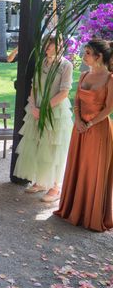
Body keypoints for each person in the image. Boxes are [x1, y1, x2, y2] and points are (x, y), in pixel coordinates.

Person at [55, 39, 113, 232]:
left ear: (99, 56)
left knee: (93, 170)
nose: (83, 55)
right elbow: (77, 100)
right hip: (79, 129)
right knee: (78, 167)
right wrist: (78, 120)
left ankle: (90, 214)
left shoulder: (110, 78)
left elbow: (109, 108)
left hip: (98, 131)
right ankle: (74, 209)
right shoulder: (83, 75)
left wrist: (89, 123)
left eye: (87, 53)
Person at [14, 36, 73, 202]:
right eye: (45, 43)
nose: (46, 47)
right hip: (36, 109)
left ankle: (55, 186)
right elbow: (34, 88)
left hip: (54, 112)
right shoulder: (41, 63)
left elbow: (64, 92)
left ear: (59, 46)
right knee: (38, 144)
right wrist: (33, 107)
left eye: (50, 44)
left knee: (53, 148)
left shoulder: (65, 65)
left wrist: (45, 109)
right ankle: (41, 181)